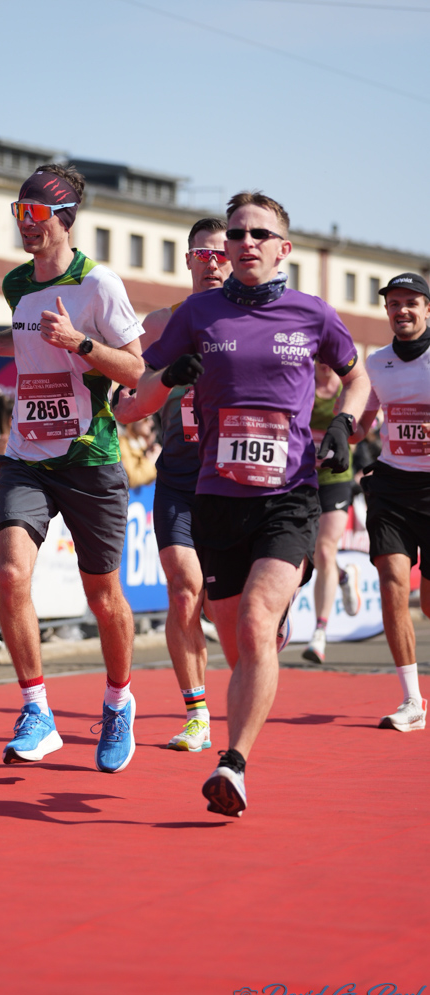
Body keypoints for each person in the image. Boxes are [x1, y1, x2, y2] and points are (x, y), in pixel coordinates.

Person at [134, 191, 369, 816]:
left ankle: (232, 764)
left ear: (283, 248)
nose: (244, 244)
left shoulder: (312, 313)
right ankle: (260, 656)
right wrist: (171, 377)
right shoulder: (197, 313)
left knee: (257, 624)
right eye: (235, 235)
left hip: (288, 496)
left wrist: (344, 423)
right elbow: (135, 399)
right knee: (238, 636)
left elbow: (358, 374)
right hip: (215, 496)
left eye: (258, 235)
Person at [0, 163, 145, 772]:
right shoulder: (15, 284)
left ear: (65, 217)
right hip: (26, 456)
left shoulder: (99, 285)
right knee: (12, 574)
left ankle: (119, 703)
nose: (25, 224)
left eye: (36, 214)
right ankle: (36, 711)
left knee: (103, 595)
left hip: (91, 456)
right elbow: (28, 331)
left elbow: (137, 370)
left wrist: (80, 344)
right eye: (18, 213)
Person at [114, 217, 232, 752]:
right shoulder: (160, 323)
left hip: (236, 480)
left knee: (228, 603)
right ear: (187, 261)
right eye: (200, 255)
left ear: (234, 259)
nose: (211, 264)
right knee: (183, 590)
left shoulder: (250, 321)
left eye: (219, 255)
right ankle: (197, 714)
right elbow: (128, 386)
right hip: (180, 475)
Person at [353, 272, 430, 732]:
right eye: (394, 303)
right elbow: (363, 419)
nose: (401, 311)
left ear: (427, 309)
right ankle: (412, 701)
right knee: (392, 580)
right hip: (392, 486)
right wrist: (334, 438)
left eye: (411, 303)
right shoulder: (376, 363)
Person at [302, 359, 361, 664]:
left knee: (325, 550)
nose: (325, 365)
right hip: (303, 478)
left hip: (337, 479)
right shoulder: (302, 383)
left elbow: (363, 429)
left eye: (329, 360)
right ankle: (342, 576)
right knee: (311, 551)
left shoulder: (344, 389)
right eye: (319, 359)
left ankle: (319, 633)